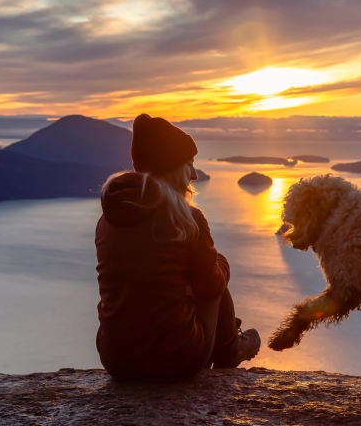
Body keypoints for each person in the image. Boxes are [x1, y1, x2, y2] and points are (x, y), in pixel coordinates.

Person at [95, 113, 260, 382]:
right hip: (174, 360)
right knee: (215, 272)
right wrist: (222, 266)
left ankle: (229, 345)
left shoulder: (108, 218)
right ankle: (230, 349)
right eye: (189, 164)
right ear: (172, 167)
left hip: (115, 360)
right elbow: (210, 287)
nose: (194, 175)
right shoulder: (186, 218)